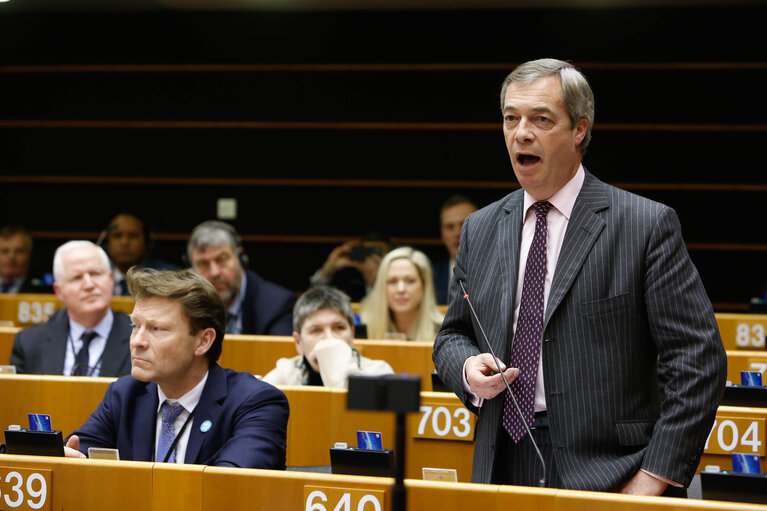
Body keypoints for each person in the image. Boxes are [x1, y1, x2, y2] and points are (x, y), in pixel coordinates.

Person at [432, 58, 726, 495]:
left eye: (541, 119)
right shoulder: (481, 228)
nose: (521, 133)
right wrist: (468, 369)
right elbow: (451, 336)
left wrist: (653, 478)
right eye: (511, 118)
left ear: (580, 130)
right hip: (500, 464)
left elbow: (697, 361)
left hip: (614, 474)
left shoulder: (644, 225)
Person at [65, 267, 289, 468]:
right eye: (135, 325)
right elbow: (79, 454)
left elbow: (227, 487)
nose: (136, 341)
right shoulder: (124, 395)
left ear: (203, 341)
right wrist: (68, 460)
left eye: (157, 329)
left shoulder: (256, 403)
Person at [10, 241, 132, 376]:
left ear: (110, 279)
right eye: (77, 278)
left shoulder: (139, 340)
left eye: (96, 273)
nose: (89, 285)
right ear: (59, 291)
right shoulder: (29, 344)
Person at [263, 286, 394, 387]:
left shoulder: (378, 373)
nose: (329, 338)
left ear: (352, 335)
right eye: (316, 330)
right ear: (298, 342)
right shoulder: (285, 374)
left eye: (338, 327)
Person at [187, 220, 295, 336]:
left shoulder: (276, 305)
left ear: (240, 258)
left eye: (222, 259)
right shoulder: (184, 306)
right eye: (203, 264)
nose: (214, 272)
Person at [360, 246, 444, 342]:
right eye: (392, 281)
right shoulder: (363, 326)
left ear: (424, 285)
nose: (401, 289)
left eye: (410, 281)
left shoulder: (445, 331)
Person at [105, 213, 178, 296]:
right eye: (117, 236)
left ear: (147, 241)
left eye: (133, 236)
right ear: (108, 242)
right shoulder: (93, 276)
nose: (124, 242)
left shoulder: (169, 277)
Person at [309, 233, 391, 302]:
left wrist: (374, 283)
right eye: (368, 251)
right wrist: (327, 271)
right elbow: (314, 300)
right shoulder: (347, 275)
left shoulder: (395, 280)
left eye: (378, 252)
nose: (372, 257)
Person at [432, 196, 478, 304]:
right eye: (450, 227)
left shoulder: (499, 272)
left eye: (464, 224)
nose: (457, 233)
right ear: (442, 235)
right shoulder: (431, 276)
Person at [0, 225, 52, 294]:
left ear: (29, 254)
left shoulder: (45, 292)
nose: (11, 257)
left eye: (19, 251)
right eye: (4, 251)